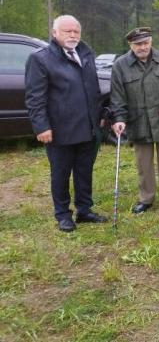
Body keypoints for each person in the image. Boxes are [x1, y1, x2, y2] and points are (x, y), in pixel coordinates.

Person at [25, 15, 107, 232]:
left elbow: (94, 89)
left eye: (76, 31)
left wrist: (98, 114)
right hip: (60, 130)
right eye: (67, 31)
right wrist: (41, 126)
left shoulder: (86, 54)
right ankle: (62, 214)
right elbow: (35, 97)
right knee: (60, 173)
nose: (72, 35)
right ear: (55, 33)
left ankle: (84, 210)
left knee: (84, 171)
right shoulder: (40, 59)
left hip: (88, 128)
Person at [110, 27, 159, 213]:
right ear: (131, 45)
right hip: (139, 122)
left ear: (151, 42)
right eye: (137, 44)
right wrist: (119, 118)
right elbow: (117, 97)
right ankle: (146, 199)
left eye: (145, 43)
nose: (142, 47)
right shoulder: (120, 65)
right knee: (143, 165)